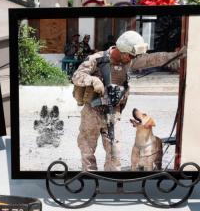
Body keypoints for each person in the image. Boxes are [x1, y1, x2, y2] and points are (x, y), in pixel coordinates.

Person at [70, 30, 185, 171]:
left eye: (134, 56)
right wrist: (92, 80)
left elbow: (152, 59)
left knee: (115, 154)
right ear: (122, 51)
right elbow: (76, 76)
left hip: (113, 114)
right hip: (91, 113)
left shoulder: (128, 62)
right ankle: (89, 182)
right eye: (130, 55)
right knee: (87, 152)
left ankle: (110, 185)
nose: (132, 58)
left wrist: (176, 55)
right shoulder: (97, 59)